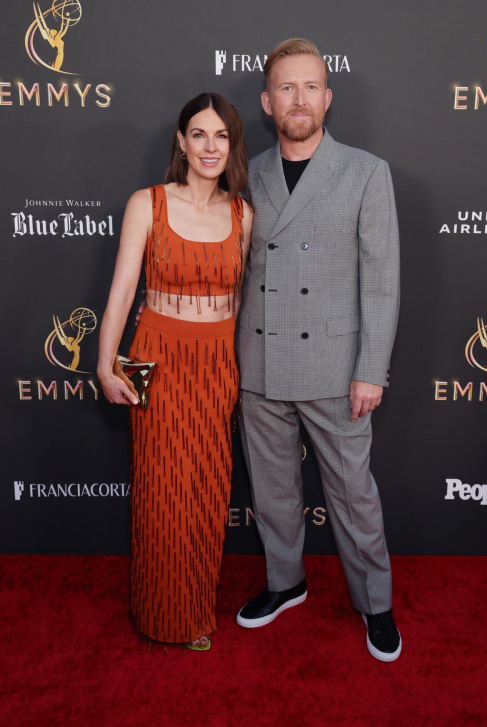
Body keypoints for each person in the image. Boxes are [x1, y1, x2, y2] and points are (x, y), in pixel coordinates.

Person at [234, 39, 402, 662]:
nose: (298, 99)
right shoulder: (246, 173)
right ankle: (286, 583)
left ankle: (375, 604)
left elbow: (381, 280)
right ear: (267, 101)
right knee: (272, 488)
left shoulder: (365, 171)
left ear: (328, 98)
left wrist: (370, 369)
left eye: (310, 87)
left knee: (353, 494)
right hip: (258, 361)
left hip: (335, 367)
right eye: (286, 88)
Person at [97, 93, 252, 650]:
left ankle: (194, 610)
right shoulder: (148, 203)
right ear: (182, 142)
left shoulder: (243, 213)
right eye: (200, 134)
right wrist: (104, 360)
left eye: (222, 136)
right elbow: (121, 292)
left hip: (217, 363)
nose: (210, 146)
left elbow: (243, 303)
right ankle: (159, 612)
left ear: (232, 145)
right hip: (156, 357)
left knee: (209, 491)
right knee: (161, 490)